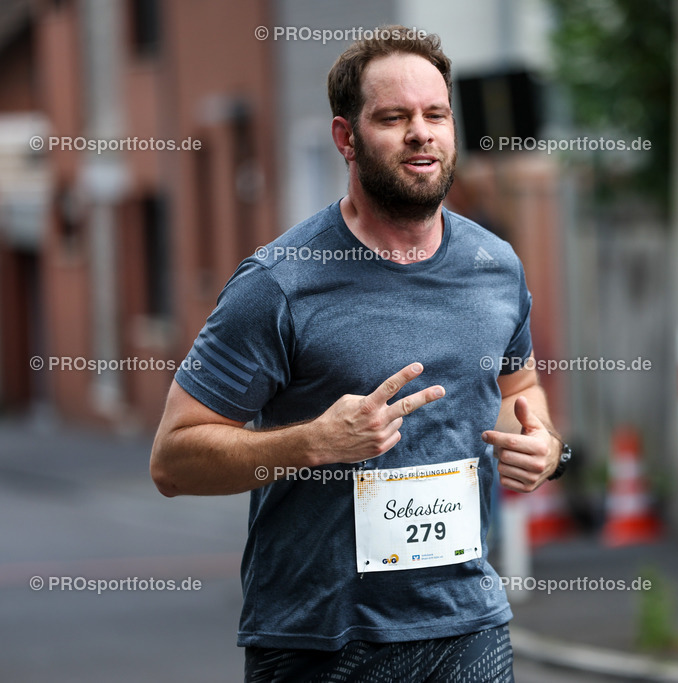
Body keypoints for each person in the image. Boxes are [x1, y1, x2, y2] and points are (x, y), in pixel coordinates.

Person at [149, 24, 570, 683]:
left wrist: (543, 444)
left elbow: (519, 387)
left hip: (467, 624)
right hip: (319, 640)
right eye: (394, 118)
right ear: (346, 138)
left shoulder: (495, 266)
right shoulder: (280, 283)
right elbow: (172, 461)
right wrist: (312, 442)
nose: (421, 133)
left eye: (435, 115)